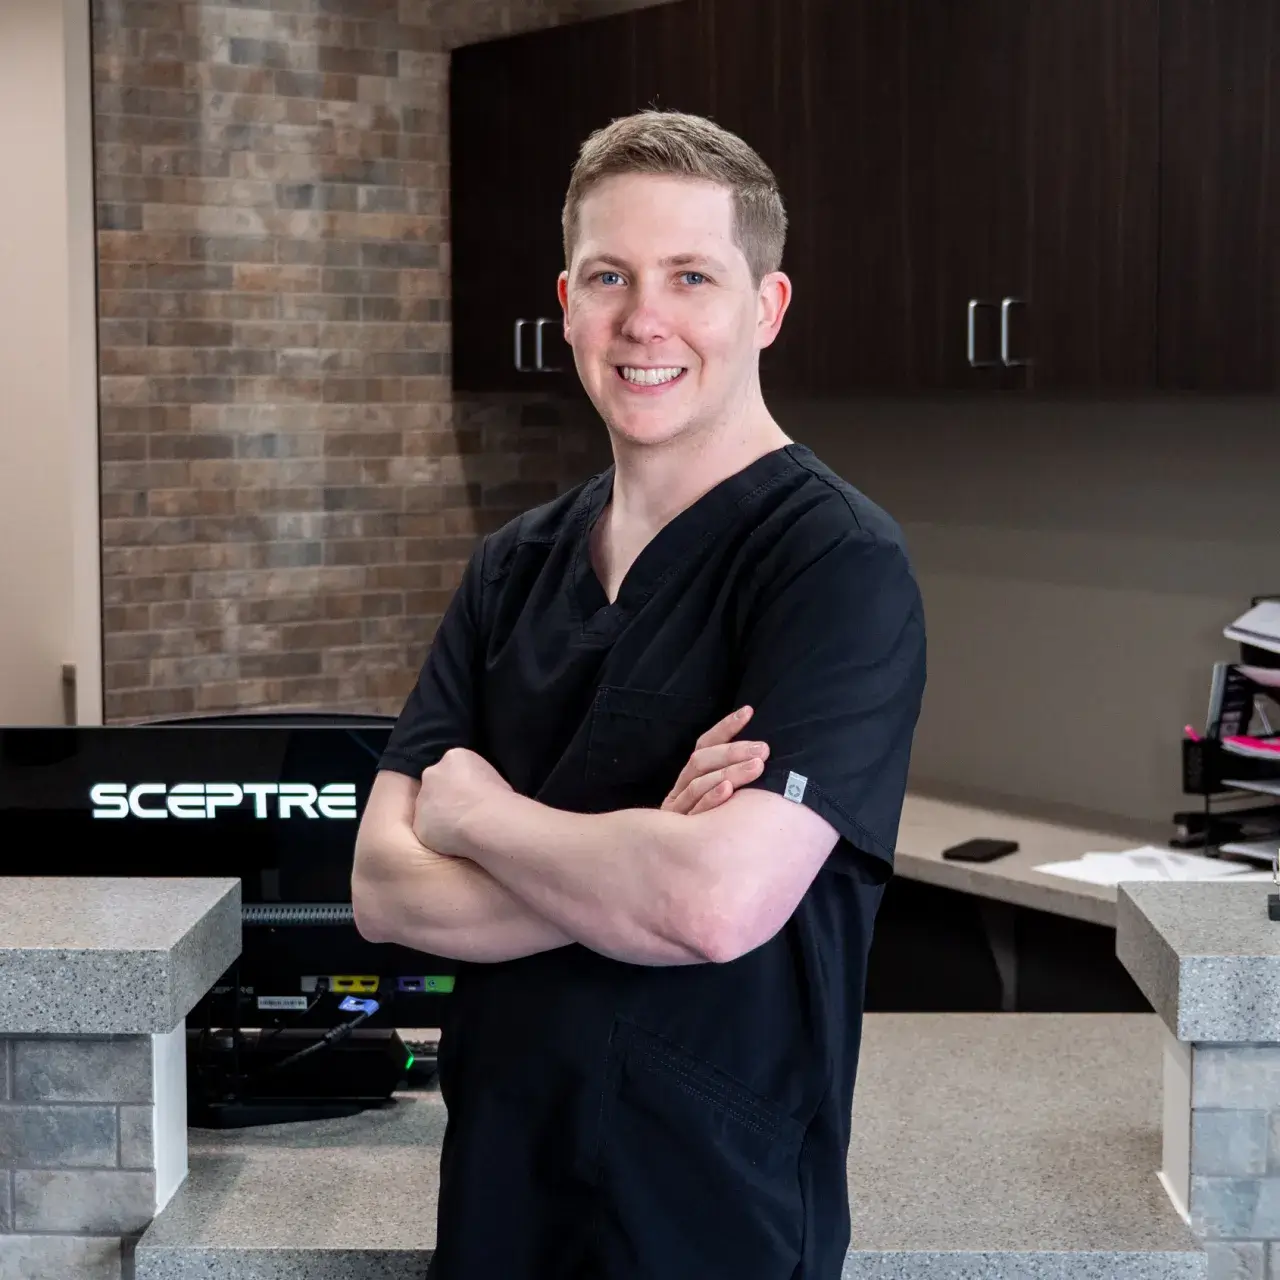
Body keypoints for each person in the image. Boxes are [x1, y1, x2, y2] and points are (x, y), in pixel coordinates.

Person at [351, 109, 927, 1280]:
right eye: (609, 276)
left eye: (689, 277)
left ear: (764, 306)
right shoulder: (512, 566)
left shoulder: (833, 564)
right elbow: (382, 889)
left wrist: (478, 818)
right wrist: (642, 852)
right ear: (567, 303)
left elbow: (711, 906)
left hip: (713, 1218)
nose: (641, 319)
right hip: (500, 1199)